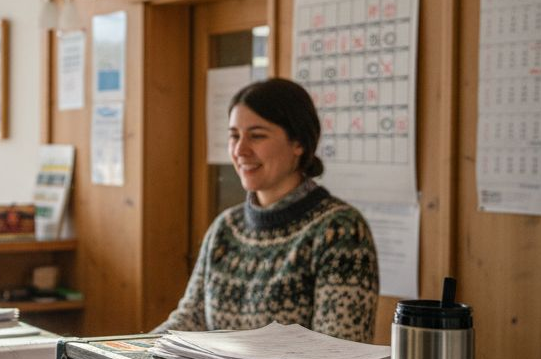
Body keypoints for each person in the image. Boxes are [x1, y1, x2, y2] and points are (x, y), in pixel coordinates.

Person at [155, 77, 379, 342]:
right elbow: (188, 321)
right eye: (234, 135)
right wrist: (128, 354)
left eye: (257, 136)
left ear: (299, 143)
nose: (240, 149)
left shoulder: (340, 230)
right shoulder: (225, 228)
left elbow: (340, 355)